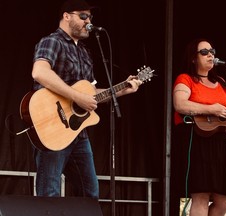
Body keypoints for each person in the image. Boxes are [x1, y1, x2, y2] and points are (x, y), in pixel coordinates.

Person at [31, 0, 142, 198]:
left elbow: (90, 94)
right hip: (53, 129)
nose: (88, 21)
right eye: (83, 16)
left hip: (78, 134)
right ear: (66, 16)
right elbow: (39, 72)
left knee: (90, 194)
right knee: (49, 195)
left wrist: (123, 89)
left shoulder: (84, 51)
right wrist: (77, 96)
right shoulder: (52, 41)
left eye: (90, 17)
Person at [171, 38, 226, 216]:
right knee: (201, 195)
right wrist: (211, 108)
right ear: (193, 58)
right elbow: (180, 105)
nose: (210, 54)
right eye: (204, 52)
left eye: (212, 51)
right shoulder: (186, 79)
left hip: (220, 142)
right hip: (196, 139)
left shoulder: (221, 82)